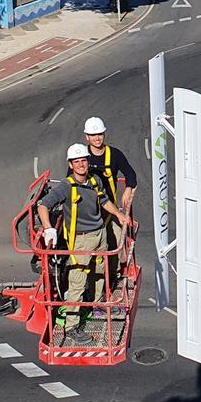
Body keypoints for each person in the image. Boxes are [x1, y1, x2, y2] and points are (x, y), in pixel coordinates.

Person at [39, 143, 133, 345]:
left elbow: (104, 200)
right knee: (77, 282)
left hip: (99, 235)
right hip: (81, 241)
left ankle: (97, 303)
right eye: (77, 162)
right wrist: (48, 228)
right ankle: (71, 326)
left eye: (83, 160)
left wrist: (118, 215)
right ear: (71, 165)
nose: (81, 165)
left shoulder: (94, 179)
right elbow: (43, 206)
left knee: (101, 271)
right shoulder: (66, 186)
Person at [82, 117, 137, 284]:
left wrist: (128, 190)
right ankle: (89, 281)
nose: (97, 138)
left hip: (109, 209)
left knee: (116, 242)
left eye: (99, 134)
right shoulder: (81, 157)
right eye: (93, 135)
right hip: (87, 212)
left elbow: (130, 175)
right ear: (87, 137)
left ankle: (112, 276)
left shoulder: (114, 155)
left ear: (104, 134)